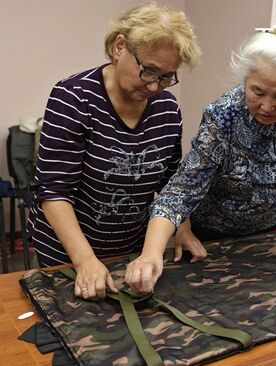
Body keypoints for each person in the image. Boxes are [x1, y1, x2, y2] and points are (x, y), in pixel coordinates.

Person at [125, 17, 276, 294]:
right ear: (246, 80)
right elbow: (181, 190)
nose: (267, 106)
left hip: (268, 232)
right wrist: (150, 254)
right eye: (257, 92)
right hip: (208, 239)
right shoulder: (223, 115)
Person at [27, 3, 201, 300]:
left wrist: (182, 227)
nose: (155, 86)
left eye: (167, 76)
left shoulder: (168, 110)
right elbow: (54, 192)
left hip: (129, 251)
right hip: (67, 256)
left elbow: (173, 183)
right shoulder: (73, 98)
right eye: (149, 71)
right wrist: (85, 262)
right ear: (120, 46)